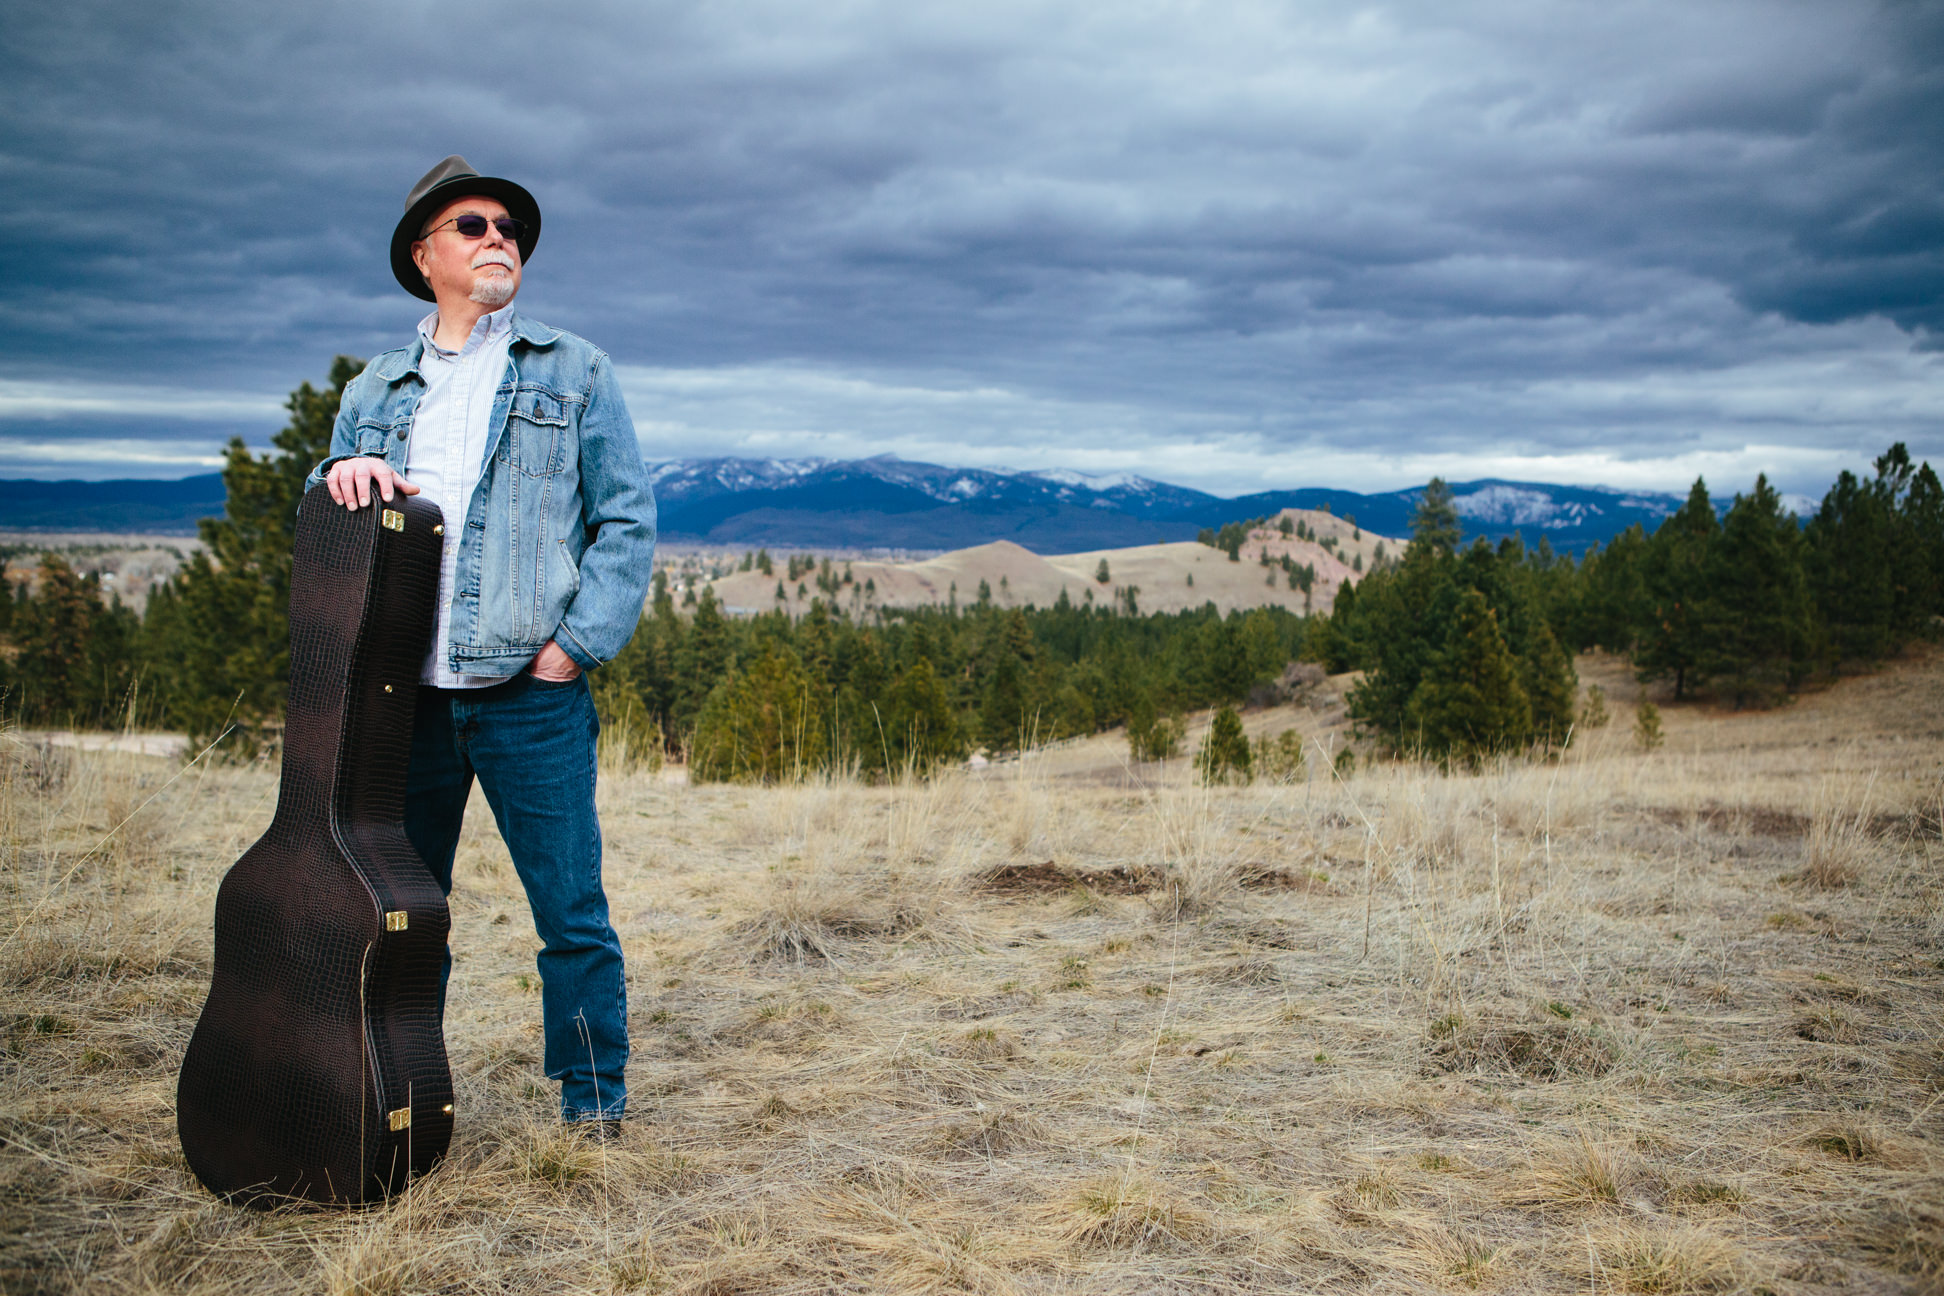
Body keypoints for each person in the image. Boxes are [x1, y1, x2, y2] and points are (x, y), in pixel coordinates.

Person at [306, 156, 655, 1137]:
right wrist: (344, 466)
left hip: (530, 696)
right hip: (400, 703)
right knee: (403, 919)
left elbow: (626, 521)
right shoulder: (376, 386)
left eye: (508, 226)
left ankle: (595, 1109)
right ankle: (396, 1103)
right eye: (472, 225)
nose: (497, 236)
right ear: (426, 256)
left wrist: (575, 646)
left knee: (571, 917)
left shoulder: (575, 370)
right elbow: (330, 501)